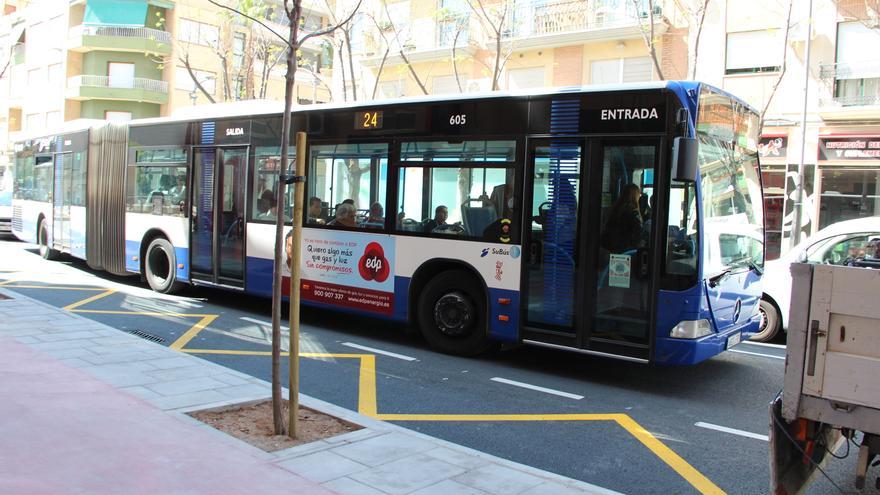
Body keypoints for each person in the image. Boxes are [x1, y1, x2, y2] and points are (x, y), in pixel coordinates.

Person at [601, 184, 643, 253]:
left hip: (611, 247)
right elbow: (637, 234)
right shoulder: (633, 213)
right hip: (626, 250)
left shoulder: (615, 210)